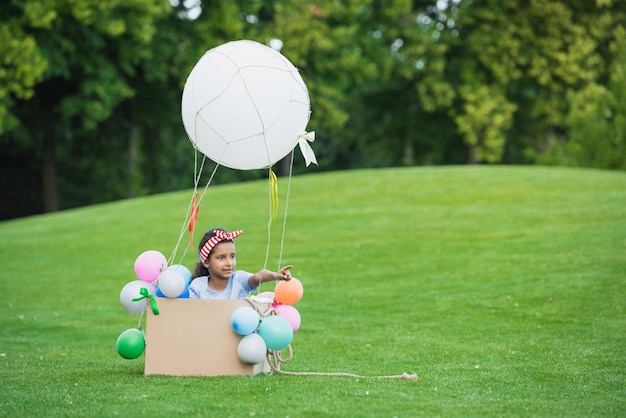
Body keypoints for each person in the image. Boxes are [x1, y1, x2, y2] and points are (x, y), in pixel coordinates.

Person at [188, 228, 293, 300]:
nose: (229, 263)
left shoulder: (240, 280)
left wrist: (276, 276)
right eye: (221, 258)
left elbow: (258, 277)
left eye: (232, 256)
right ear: (206, 261)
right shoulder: (198, 286)